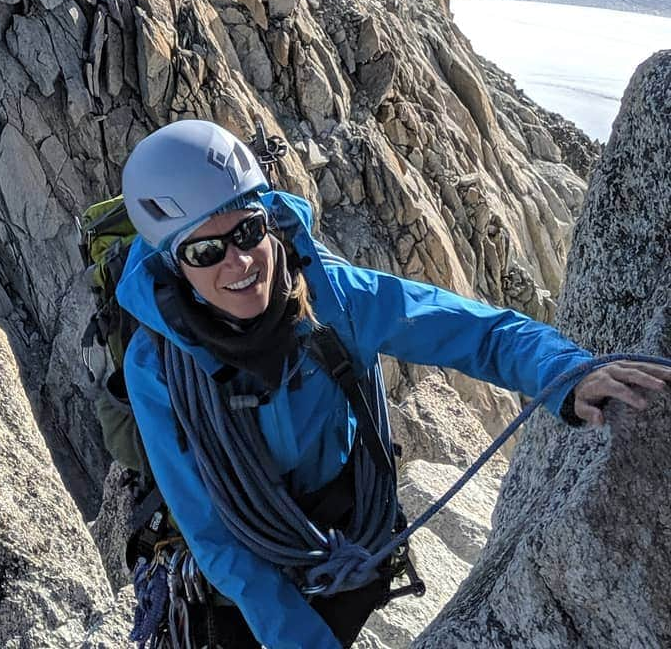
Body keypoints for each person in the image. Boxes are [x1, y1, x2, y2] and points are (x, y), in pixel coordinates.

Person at [117, 119, 670, 649]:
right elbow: (215, 536)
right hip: (244, 553)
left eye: (247, 230)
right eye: (205, 251)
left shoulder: (333, 297)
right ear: (173, 268)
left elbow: (473, 331)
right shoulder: (158, 368)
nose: (238, 260)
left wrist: (565, 373)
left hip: (346, 529)